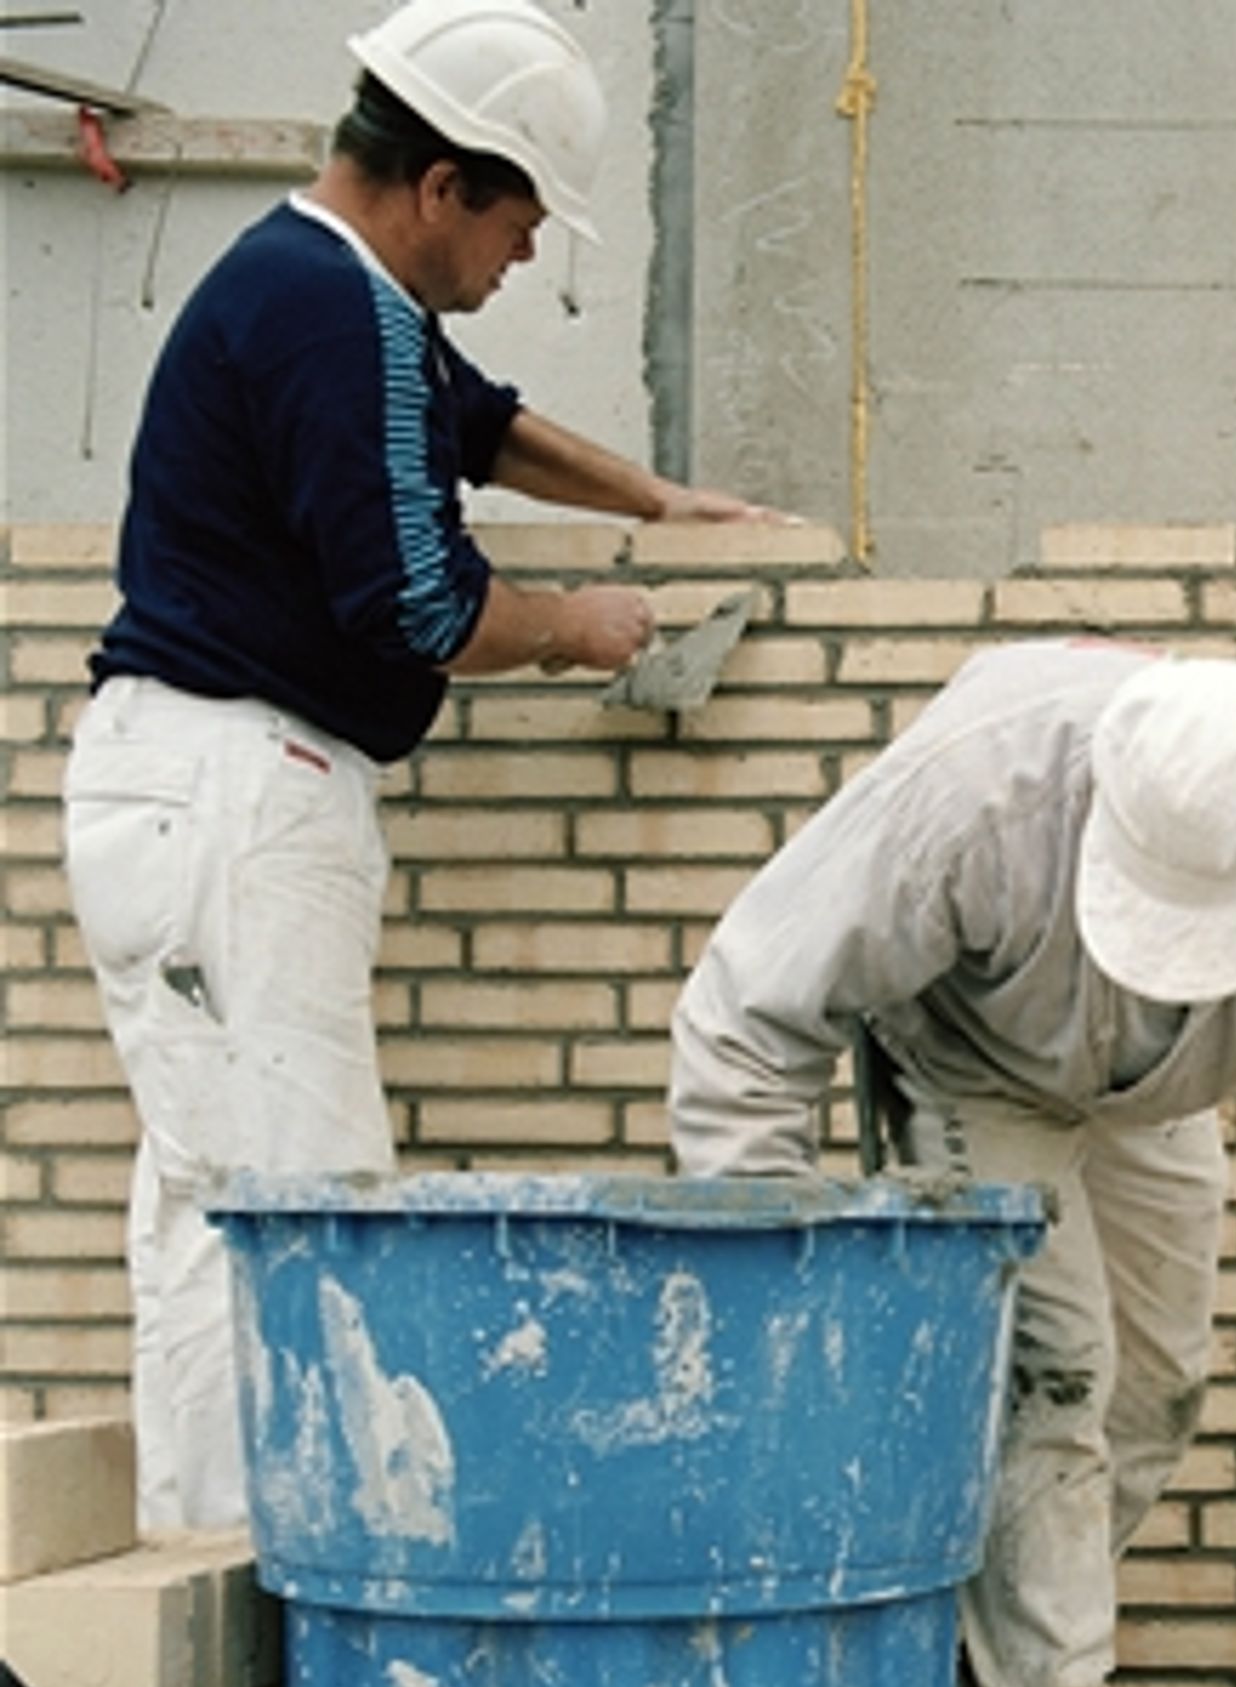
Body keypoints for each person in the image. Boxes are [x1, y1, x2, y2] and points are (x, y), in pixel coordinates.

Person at [61, 0, 779, 1536]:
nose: (523, 261)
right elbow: (424, 607)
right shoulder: (346, 317)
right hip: (243, 793)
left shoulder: (307, 286)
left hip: (158, 783)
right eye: (519, 224)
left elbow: (483, 427)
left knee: (209, 1205)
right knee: (311, 1194)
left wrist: (663, 500)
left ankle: (211, 1565)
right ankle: (309, 1571)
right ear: (444, 184)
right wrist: (588, 625)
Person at [667, 639, 1236, 1687]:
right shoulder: (974, 788)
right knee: (1056, 1372)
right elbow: (744, 1022)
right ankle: (1053, 1685)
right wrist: (789, 1314)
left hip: (1158, 1089)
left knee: (1153, 1390)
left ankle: (990, 1660)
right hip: (971, 1064)